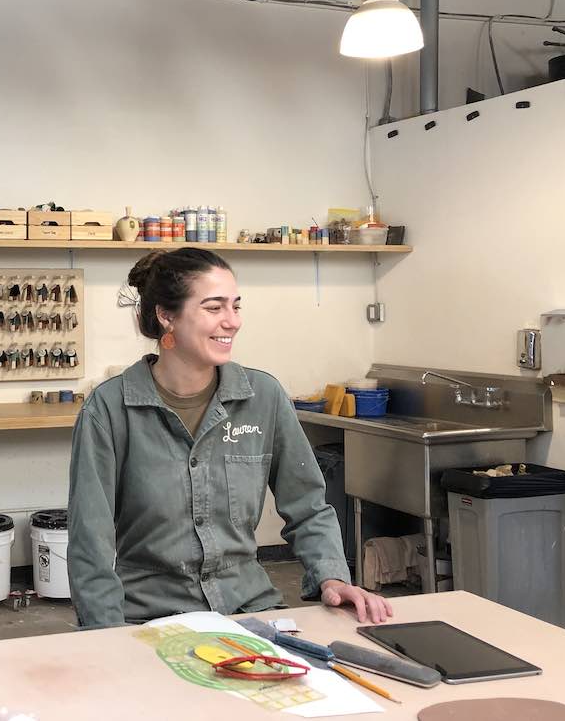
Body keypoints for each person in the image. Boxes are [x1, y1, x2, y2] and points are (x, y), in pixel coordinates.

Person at [67, 247, 391, 629]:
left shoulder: (264, 397)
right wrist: (105, 634)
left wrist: (333, 576)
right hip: (148, 618)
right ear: (166, 316)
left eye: (236, 306)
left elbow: (308, 506)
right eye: (214, 307)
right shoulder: (109, 409)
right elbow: (90, 540)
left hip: (248, 610)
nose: (232, 321)